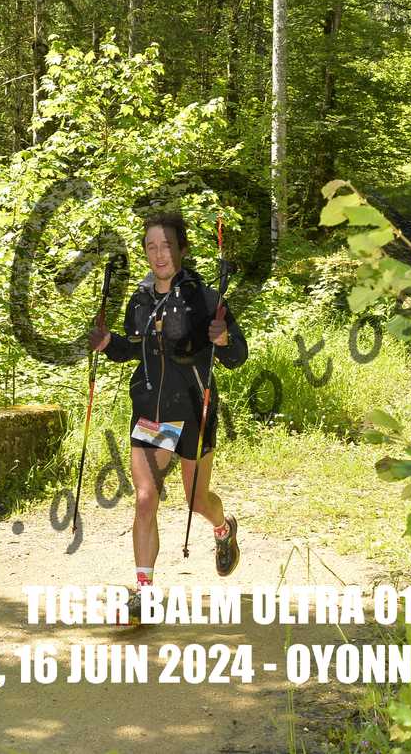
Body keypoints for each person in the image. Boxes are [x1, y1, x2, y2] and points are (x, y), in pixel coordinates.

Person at [88, 210, 248, 624]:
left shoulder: (206, 299)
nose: (159, 254)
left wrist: (224, 340)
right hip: (151, 413)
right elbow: (135, 349)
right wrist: (109, 343)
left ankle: (223, 527)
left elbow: (237, 356)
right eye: (151, 246)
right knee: (145, 499)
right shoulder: (140, 299)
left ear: (182, 249)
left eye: (166, 246)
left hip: (193, 410)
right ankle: (145, 593)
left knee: (197, 501)